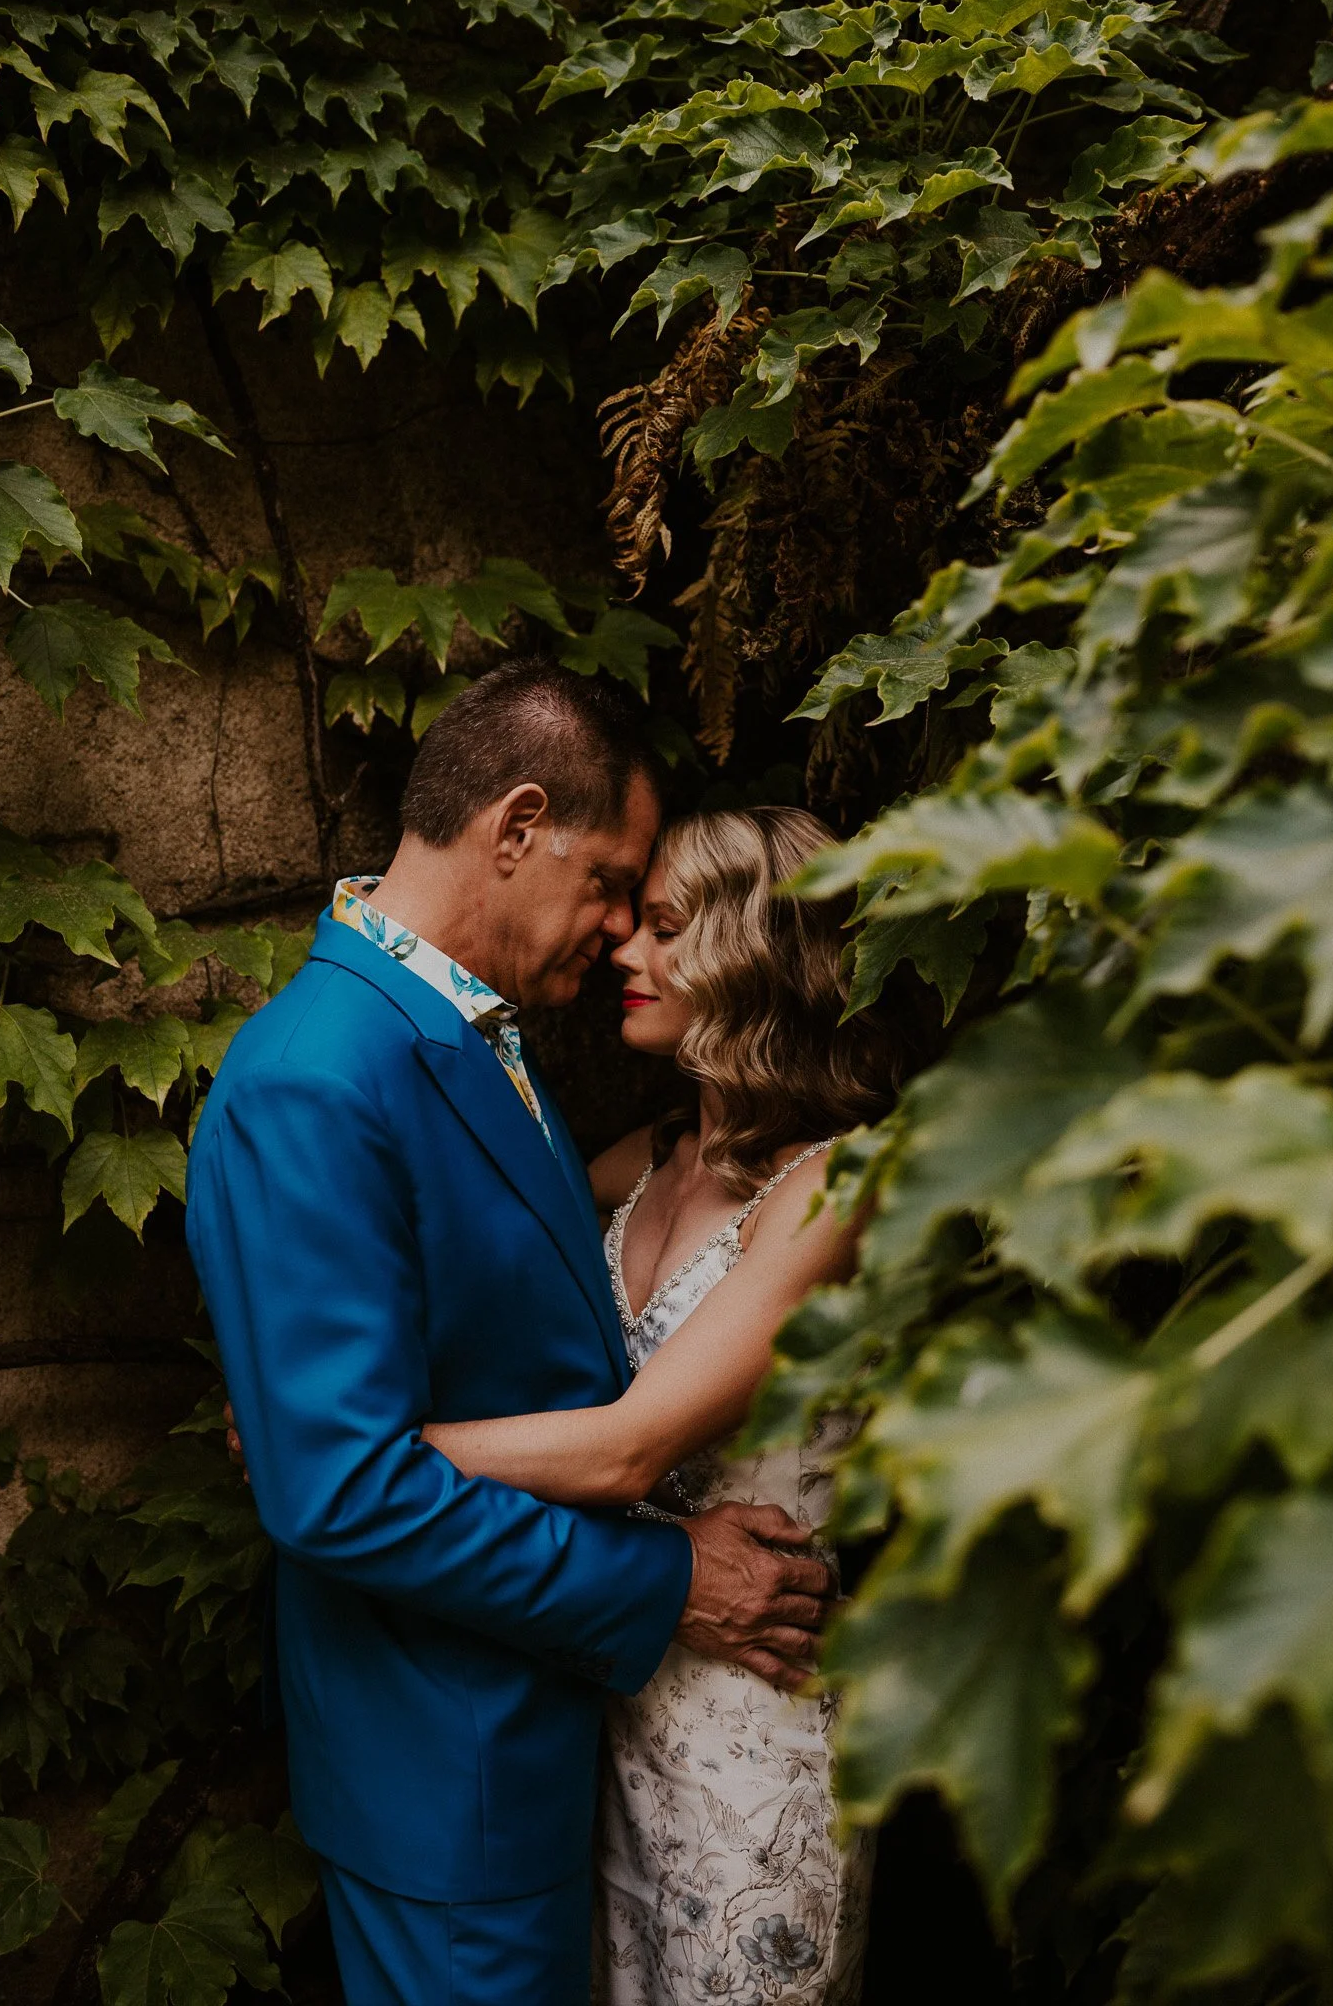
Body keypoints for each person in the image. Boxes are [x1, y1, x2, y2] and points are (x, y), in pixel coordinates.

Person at [187, 661, 833, 2006]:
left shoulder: (474, 1040)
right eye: (609, 883)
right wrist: (664, 1586)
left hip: (556, 1751)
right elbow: (345, 1494)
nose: (615, 932)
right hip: (450, 1775)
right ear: (517, 823)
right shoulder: (316, 1077)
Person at [416, 806, 901, 2006]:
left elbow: (631, 1448)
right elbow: (471, 1291)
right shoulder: (647, 1156)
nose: (625, 948)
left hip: (756, 1729)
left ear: (758, 954)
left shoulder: (842, 1185)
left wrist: (366, 1452)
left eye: (670, 927)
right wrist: (312, 1368)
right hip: (614, 1695)